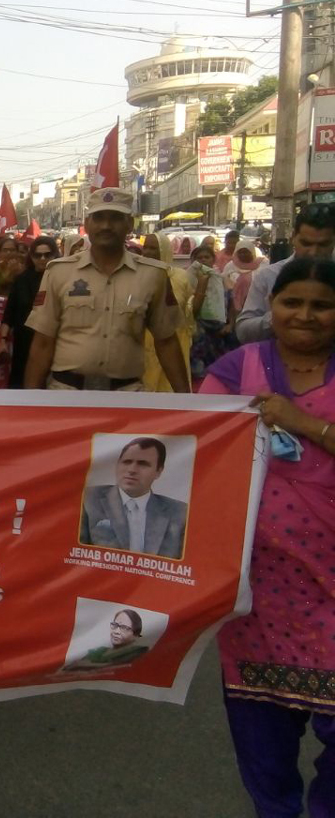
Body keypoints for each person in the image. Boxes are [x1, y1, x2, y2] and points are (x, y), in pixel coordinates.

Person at [199, 258, 335, 818]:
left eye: (322, 305)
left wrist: (306, 425)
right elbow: (194, 451)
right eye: (292, 302)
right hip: (260, 595)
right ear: (270, 306)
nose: (305, 315)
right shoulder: (237, 369)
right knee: (263, 743)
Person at [24, 188, 188, 392]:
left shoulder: (153, 275)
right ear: (87, 224)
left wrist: (186, 401)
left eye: (116, 218)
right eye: (99, 218)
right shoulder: (59, 272)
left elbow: (166, 342)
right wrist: (31, 401)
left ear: (130, 224)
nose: (106, 226)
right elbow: (42, 343)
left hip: (127, 395)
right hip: (67, 393)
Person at [236, 203, 335, 343]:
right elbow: (243, 332)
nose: (314, 252)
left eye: (323, 245)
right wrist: (277, 315)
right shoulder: (269, 276)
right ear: (293, 237)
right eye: (306, 243)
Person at [79, 436, 187, 558]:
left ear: (158, 471)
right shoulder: (88, 498)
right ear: (117, 464)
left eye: (143, 464)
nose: (132, 470)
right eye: (127, 462)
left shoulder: (180, 512)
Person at [0, 236, 59, 389]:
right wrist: (2, 340)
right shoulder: (21, 280)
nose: (42, 259)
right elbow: (9, 314)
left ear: (55, 255)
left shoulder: (61, 280)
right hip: (23, 343)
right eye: (38, 255)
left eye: (47, 255)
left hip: (53, 344)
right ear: (31, 257)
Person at [139, 232, 196, 393]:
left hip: (172, 343)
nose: (147, 252)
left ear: (164, 250)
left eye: (153, 248)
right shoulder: (137, 277)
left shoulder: (181, 277)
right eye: (145, 247)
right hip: (144, 345)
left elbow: (189, 311)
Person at [187, 244, 232, 382]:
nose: (203, 260)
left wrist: (230, 324)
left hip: (219, 326)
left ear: (213, 259)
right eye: (199, 258)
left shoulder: (221, 278)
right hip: (197, 325)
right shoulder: (187, 278)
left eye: (206, 257)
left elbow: (232, 302)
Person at [63, 609, 150, 672]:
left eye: (124, 628)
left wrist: (85, 665)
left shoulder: (139, 651)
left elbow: (121, 668)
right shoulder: (99, 651)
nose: (116, 632)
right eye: (115, 625)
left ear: (136, 634)